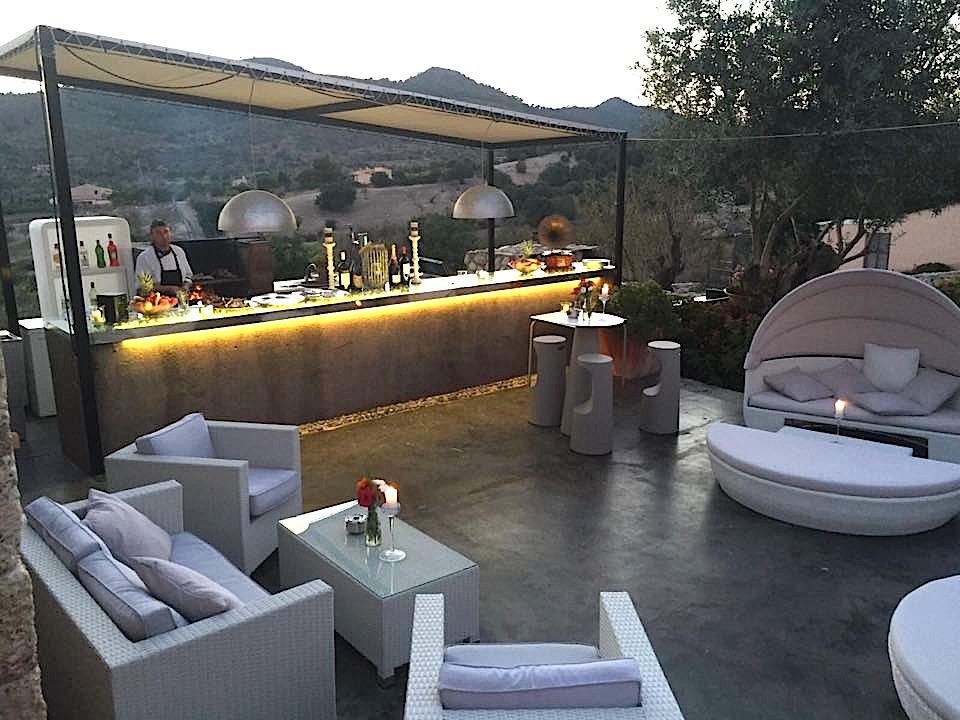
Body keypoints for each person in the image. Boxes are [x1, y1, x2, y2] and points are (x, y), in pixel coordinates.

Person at [134, 219, 193, 295]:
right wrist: (168, 289)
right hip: (157, 300)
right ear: (152, 236)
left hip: (181, 298)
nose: (164, 236)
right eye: (159, 233)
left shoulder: (179, 251)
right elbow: (141, 288)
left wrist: (185, 286)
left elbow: (188, 276)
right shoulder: (144, 257)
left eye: (166, 232)